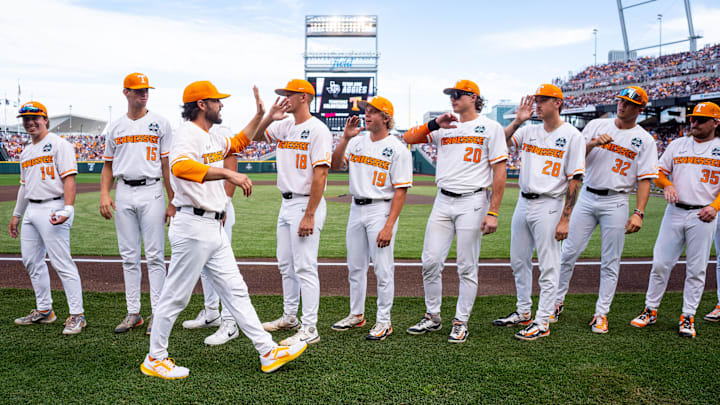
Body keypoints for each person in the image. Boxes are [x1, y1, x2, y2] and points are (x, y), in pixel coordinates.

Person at [141, 82, 306, 379]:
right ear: (202, 104)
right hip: (192, 225)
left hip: (213, 226)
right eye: (217, 101)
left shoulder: (211, 134)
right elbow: (180, 167)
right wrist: (228, 172)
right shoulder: (187, 134)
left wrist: (264, 116)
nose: (222, 105)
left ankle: (267, 351)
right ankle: (156, 357)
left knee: (236, 291)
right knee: (176, 297)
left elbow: (240, 143)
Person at [403, 80, 508, 343]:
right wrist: (435, 123)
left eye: (458, 95)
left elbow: (500, 171)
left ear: (473, 97)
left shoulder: (491, 128)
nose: (453, 98)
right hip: (442, 200)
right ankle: (433, 316)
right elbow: (408, 138)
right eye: (451, 94)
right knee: (430, 261)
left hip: (472, 201)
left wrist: (493, 212)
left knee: (466, 266)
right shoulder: (444, 126)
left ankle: (461, 321)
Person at [553, 86, 658, 333]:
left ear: (640, 109)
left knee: (610, 261)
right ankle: (555, 302)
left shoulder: (644, 139)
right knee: (567, 253)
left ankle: (601, 313)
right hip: (588, 196)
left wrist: (639, 212)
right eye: (621, 101)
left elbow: (645, 179)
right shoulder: (596, 126)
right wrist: (591, 144)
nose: (622, 106)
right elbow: (574, 157)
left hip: (617, 200)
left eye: (629, 103)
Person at [494, 84, 585, 341]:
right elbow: (500, 142)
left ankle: (542, 320)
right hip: (524, 201)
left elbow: (575, 179)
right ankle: (524, 312)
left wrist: (566, 218)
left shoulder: (572, 135)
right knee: (518, 260)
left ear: (557, 103)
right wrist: (518, 121)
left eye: (543, 100)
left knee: (549, 265)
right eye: (537, 100)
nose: (537, 105)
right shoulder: (529, 131)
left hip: (550, 204)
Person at [251, 79, 332, 346]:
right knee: (286, 264)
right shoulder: (284, 124)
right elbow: (256, 136)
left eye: (289, 94)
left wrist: (310, 214)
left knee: (305, 266)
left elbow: (321, 174)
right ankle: (290, 317)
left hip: (305, 203)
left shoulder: (318, 129)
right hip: (286, 203)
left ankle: (310, 327)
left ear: (304, 98)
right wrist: (268, 116)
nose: (285, 98)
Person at [630, 101, 720, 338]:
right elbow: (657, 172)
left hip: (704, 214)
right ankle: (650, 309)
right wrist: (667, 184)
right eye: (692, 119)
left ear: (715, 123)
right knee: (660, 263)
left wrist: (715, 206)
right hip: (675, 211)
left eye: (701, 120)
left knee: (697, 269)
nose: (695, 123)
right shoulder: (678, 144)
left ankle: (688, 316)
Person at [329, 96, 412, 341]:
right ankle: (357, 314)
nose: (367, 114)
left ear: (386, 118)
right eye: (367, 110)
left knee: (383, 269)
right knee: (355, 266)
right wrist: (344, 138)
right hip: (357, 208)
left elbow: (401, 191)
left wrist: (389, 226)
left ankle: (384, 321)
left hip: (380, 209)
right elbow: (334, 165)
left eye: (374, 111)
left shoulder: (397, 148)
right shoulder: (356, 143)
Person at [100, 72, 174, 335]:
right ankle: (134, 313)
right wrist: (104, 194)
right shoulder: (116, 127)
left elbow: (166, 165)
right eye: (138, 90)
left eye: (146, 90)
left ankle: (158, 313)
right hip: (123, 190)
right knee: (128, 255)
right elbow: (107, 166)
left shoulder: (160, 123)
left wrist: (172, 199)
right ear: (126, 93)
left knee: (154, 255)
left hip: (151, 189)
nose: (144, 94)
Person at [9, 101, 86, 335]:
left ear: (45, 119)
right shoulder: (25, 151)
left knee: (62, 262)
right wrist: (16, 214)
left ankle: (77, 315)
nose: (30, 122)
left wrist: (68, 209)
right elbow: (24, 186)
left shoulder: (58, 145)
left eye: (35, 117)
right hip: (32, 209)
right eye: (25, 119)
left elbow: (69, 179)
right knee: (31, 261)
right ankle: (45, 310)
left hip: (54, 206)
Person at [183, 134, 245, 346]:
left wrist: (225, 203)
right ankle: (211, 313)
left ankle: (229, 322)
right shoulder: (191, 134)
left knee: (223, 268)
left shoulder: (222, 132)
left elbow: (231, 169)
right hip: (201, 209)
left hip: (218, 210)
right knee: (205, 266)